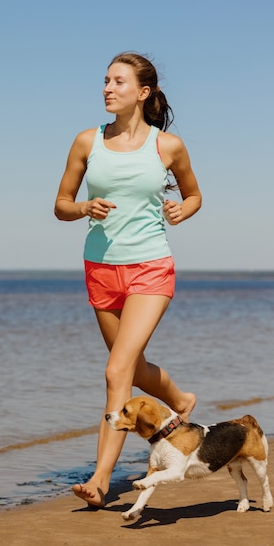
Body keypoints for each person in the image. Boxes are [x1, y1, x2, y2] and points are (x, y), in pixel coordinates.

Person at [54, 52, 202, 508]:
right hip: (100, 270)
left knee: (116, 371)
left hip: (150, 267)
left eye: (118, 81)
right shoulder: (86, 141)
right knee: (133, 369)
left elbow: (194, 194)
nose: (107, 88)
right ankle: (180, 398)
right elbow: (61, 203)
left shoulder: (167, 146)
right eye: (104, 80)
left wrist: (182, 210)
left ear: (142, 92)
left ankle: (100, 480)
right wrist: (83, 208)